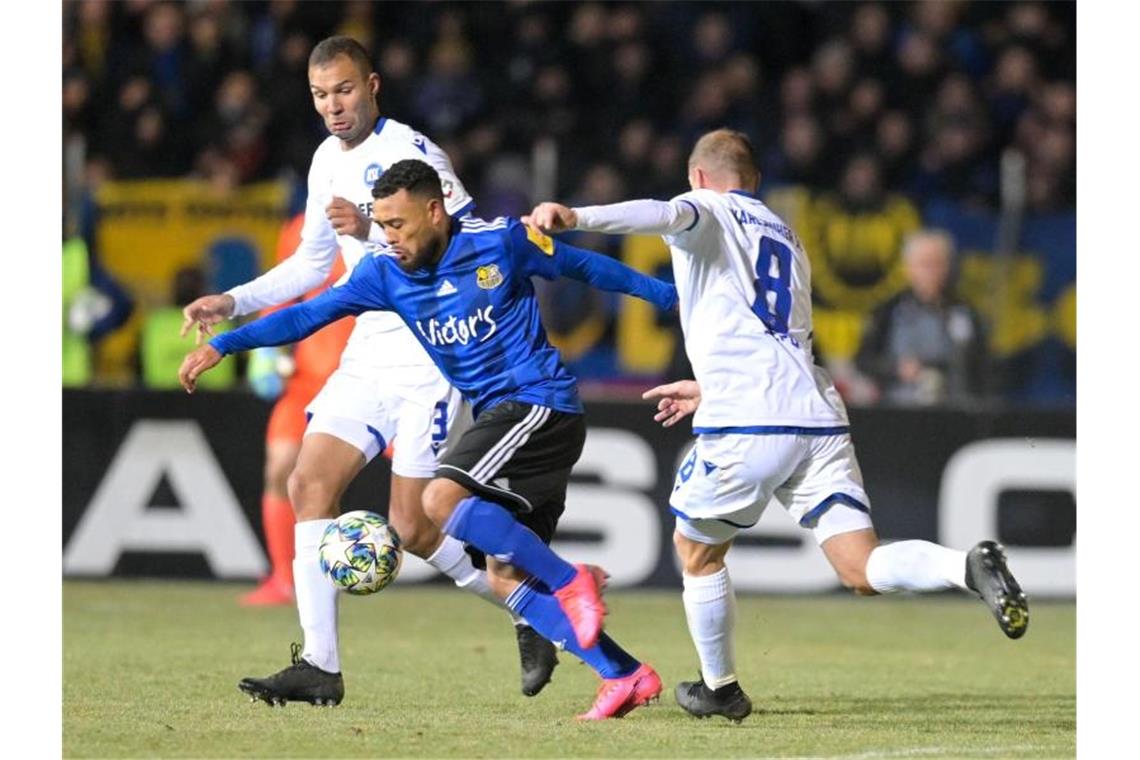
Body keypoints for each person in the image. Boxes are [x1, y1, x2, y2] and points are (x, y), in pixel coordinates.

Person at [524, 128, 1028, 723]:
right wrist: (709, 385)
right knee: (859, 566)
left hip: (749, 419)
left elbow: (661, 213)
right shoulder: (787, 235)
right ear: (756, 181)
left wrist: (576, 213)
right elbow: (770, 336)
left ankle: (721, 688)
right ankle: (964, 565)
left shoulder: (705, 207)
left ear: (699, 177)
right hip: (814, 412)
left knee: (697, 550)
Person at [179, 158, 678, 720]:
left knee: (438, 503)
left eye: (397, 224)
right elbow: (308, 316)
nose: (388, 237)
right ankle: (626, 674)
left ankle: (572, 579)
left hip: (541, 403)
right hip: (503, 420)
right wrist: (226, 344)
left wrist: (670, 299)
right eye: (381, 225)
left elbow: (585, 268)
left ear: (435, 210)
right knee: (504, 573)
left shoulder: (502, 242)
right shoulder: (385, 273)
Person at [178, 36, 557, 705]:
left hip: (428, 352)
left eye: (345, 90)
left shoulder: (414, 155)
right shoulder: (326, 159)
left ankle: (533, 608)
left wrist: (370, 233)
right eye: (322, 95)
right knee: (307, 480)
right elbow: (307, 267)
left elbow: (465, 246)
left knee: (412, 528)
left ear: (373, 84)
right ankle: (320, 664)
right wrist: (233, 302)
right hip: (368, 349)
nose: (333, 106)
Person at [240, 213, 354, 606]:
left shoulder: (387, 217)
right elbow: (282, 289)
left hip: (373, 372)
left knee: (431, 488)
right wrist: (265, 351)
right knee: (280, 466)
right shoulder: (300, 227)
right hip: (309, 374)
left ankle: (494, 569)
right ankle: (282, 579)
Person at [855, 229, 988, 406]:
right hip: (898, 408)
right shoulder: (887, 312)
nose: (932, 272)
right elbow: (864, 360)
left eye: (938, 264)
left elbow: (983, 364)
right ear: (908, 267)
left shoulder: (963, 312)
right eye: (925, 264)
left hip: (953, 408)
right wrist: (896, 369)